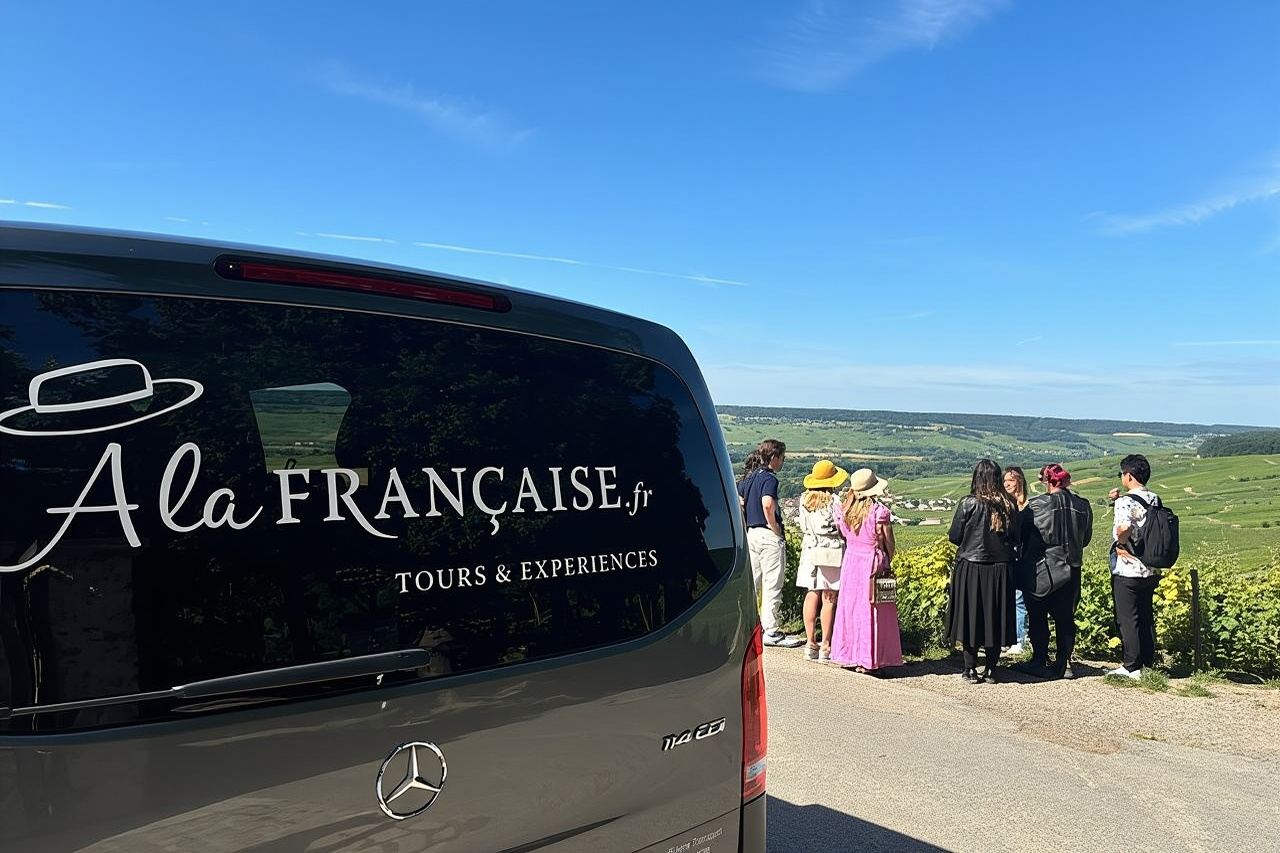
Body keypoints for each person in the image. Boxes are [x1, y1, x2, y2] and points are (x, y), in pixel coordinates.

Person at [946, 459, 1019, 684]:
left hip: (971, 566)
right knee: (995, 617)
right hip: (1001, 569)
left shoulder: (968, 503)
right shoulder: (1009, 504)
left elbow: (954, 536)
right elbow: (1016, 538)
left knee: (971, 616)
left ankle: (970, 669)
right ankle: (992, 669)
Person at [1018, 464, 1093, 679]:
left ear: (1046, 481)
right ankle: (1065, 662)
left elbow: (1021, 534)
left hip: (1043, 567)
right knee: (1065, 617)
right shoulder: (1083, 506)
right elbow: (1085, 538)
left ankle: (1039, 659)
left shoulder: (1036, 505)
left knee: (1038, 615)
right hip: (1072, 566)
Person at [829, 468, 903, 673]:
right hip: (872, 563)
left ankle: (849, 654)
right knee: (874, 610)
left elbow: (844, 536)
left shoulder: (844, 510)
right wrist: (886, 558)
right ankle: (869, 659)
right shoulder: (880, 512)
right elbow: (889, 543)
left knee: (850, 608)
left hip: (851, 561)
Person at [737, 439, 804, 647]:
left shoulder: (748, 478)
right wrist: (775, 528)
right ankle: (771, 630)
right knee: (772, 584)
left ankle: (745, 625)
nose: (783, 462)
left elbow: (740, 502)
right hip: (767, 535)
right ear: (774, 458)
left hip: (751, 533)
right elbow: (768, 503)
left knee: (752, 583)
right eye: (782, 458)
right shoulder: (769, 479)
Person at [1106, 454, 1162, 679]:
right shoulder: (1155, 498)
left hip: (1129, 567)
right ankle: (1148, 661)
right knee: (1146, 614)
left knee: (1127, 617)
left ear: (1128, 476)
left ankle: (1131, 665)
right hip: (1150, 566)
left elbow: (1124, 527)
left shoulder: (1125, 501)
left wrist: (1120, 543)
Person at [796, 460, 848, 662]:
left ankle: (810, 642)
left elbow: (802, 525)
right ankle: (826, 645)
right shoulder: (835, 501)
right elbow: (842, 527)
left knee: (811, 594)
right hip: (831, 550)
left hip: (809, 548)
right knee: (829, 598)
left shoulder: (803, 500)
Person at [1002, 466, 1031, 656]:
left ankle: (1020, 640)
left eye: (1010, 481)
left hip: (1025, 556)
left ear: (1019, 481)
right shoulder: (1008, 505)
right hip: (1012, 556)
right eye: (1004, 482)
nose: (1006, 485)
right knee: (1013, 598)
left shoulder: (1028, 505)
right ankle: (1014, 638)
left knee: (1019, 599)